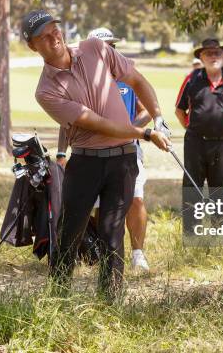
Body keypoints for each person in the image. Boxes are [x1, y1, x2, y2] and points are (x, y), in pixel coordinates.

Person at [23, 10, 171, 300]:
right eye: (43, 36)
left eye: (54, 30)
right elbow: (96, 122)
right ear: (33, 46)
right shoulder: (46, 90)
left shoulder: (95, 48)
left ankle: (109, 301)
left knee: (111, 231)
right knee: (70, 231)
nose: (53, 37)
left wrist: (159, 119)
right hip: (86, 161)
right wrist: (144, 134)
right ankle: (59, 296)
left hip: (124, 160)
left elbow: (137, 80)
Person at [56, 27, 153, 272]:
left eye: (110, 45)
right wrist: (60, 153)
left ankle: (138, 253)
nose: (106, 50)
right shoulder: (81, 80)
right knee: (100, 207)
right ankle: (102, 253)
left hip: (129, 149)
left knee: (137, 199)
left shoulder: (126, 77)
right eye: (101, 46)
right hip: (92, 154)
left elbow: (145, 111)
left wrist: (129, 128)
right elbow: (68, 120)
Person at [175, 39, 223, 231]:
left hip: (222, 145)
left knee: (219, 189)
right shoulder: (191, 79)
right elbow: (179, 110)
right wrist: (192, 129)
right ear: (201, 57)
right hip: (195, 143)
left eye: (217, 53)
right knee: (192, 189)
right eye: (208, 54)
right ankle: (191, 233)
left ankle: (219, 231)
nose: (213, 57)